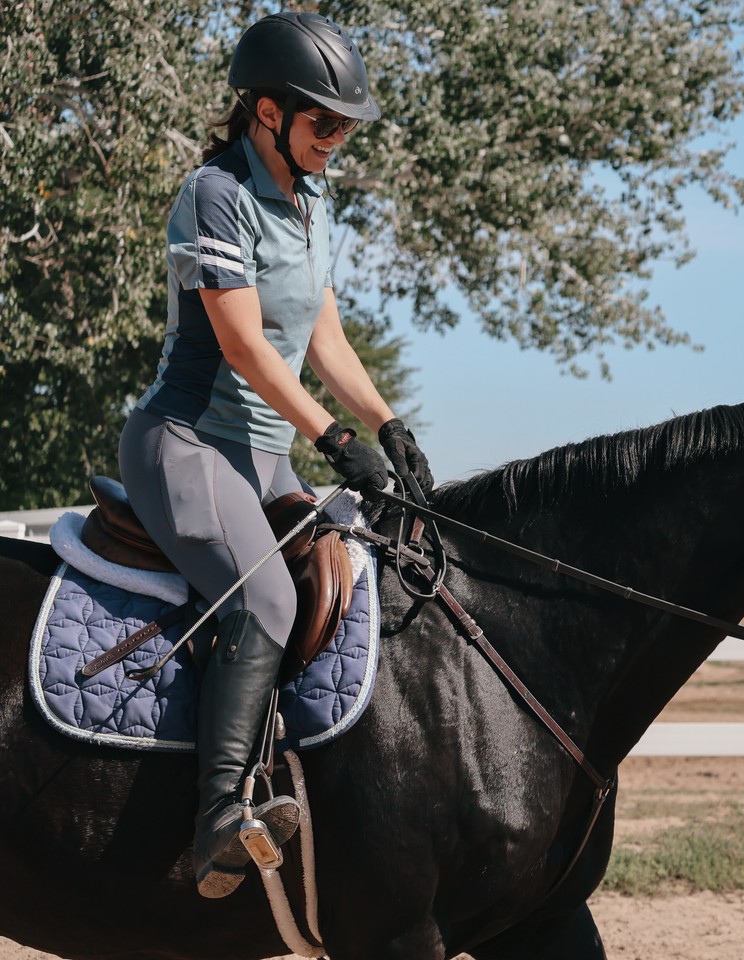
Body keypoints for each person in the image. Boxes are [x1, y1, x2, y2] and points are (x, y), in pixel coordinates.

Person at [117, 11, 433, 899]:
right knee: (261, 597)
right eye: (323, 122)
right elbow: (249, 347)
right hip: (185, 442)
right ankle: (218, 815)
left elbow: (320, 331)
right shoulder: (213, 193)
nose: (337, 138)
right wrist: (332, 439)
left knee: (357, 572)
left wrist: (386, 424)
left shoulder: (311, 199)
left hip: (263, 459)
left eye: (346, 125)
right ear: (265, 110)